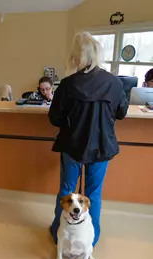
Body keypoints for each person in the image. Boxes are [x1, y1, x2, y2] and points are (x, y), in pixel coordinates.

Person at [48, 32, 128, 247]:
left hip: (72, 146)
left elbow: (54, 118)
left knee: (66, 191)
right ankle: (92, 237)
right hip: (102, 147)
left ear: (76, 57)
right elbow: (121, 113)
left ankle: (58, 231)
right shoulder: (115, 83)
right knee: (94, 193)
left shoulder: (67, 84)